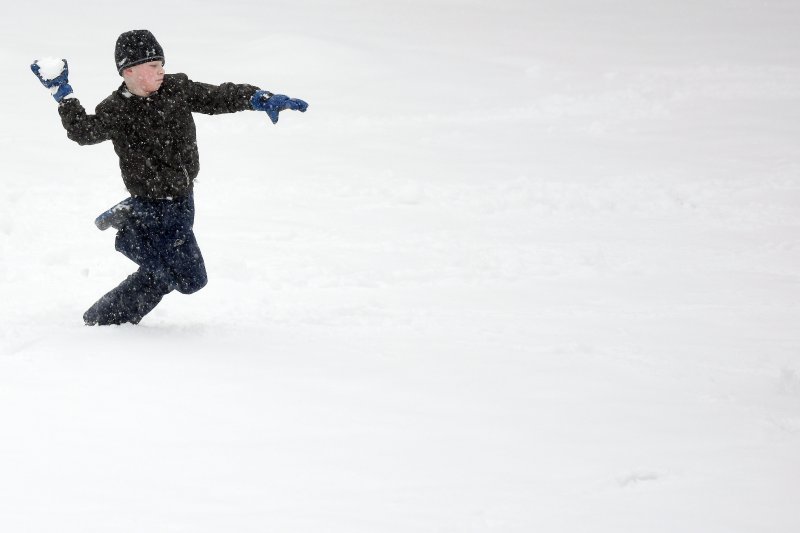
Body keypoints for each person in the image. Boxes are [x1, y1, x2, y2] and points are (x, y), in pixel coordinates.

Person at [31, 29, 308, 325]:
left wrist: (257, 98)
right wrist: (64, 94)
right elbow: (83, 132)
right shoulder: (117, 109)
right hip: (150, 202)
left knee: (174, 277)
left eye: (161, 63)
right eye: (153, 66)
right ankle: (130, 232)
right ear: (129, 70)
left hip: (183, 198)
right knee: (186, 278)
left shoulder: (177, 88)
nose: (161, 70)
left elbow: (218, 97)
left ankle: (103, 319)